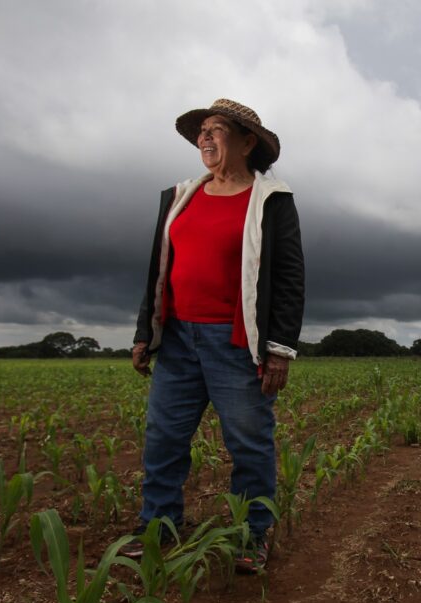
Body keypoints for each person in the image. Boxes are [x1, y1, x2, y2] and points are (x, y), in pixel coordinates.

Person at [123, 98, 304, 573]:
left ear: (247, 143)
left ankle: (253, 534)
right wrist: (146, 332)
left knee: (248, 441)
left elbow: (288, 278)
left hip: (237, 342)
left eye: (217, 129)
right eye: (201, 130)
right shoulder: (181, 195)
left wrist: (279, 349)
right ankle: (158, 527)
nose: (205, 137)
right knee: (163, 438)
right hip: (179, 340)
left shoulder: (272, 200)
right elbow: (159, 270)